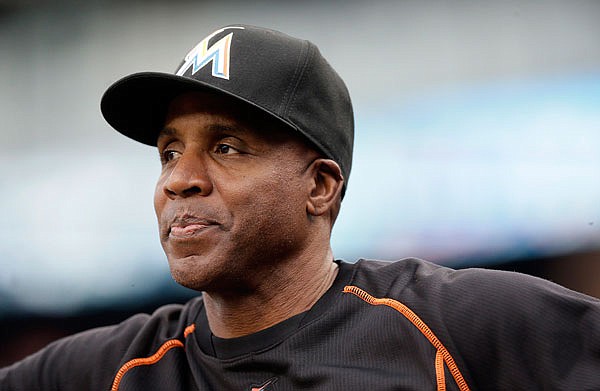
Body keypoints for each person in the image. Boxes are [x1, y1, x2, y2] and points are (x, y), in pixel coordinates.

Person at [1, 24, 599, 391]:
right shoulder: (114, 368)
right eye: (168, 153)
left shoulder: (459, 322)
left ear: (320, 187)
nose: (180, 180)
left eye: (227, 147)